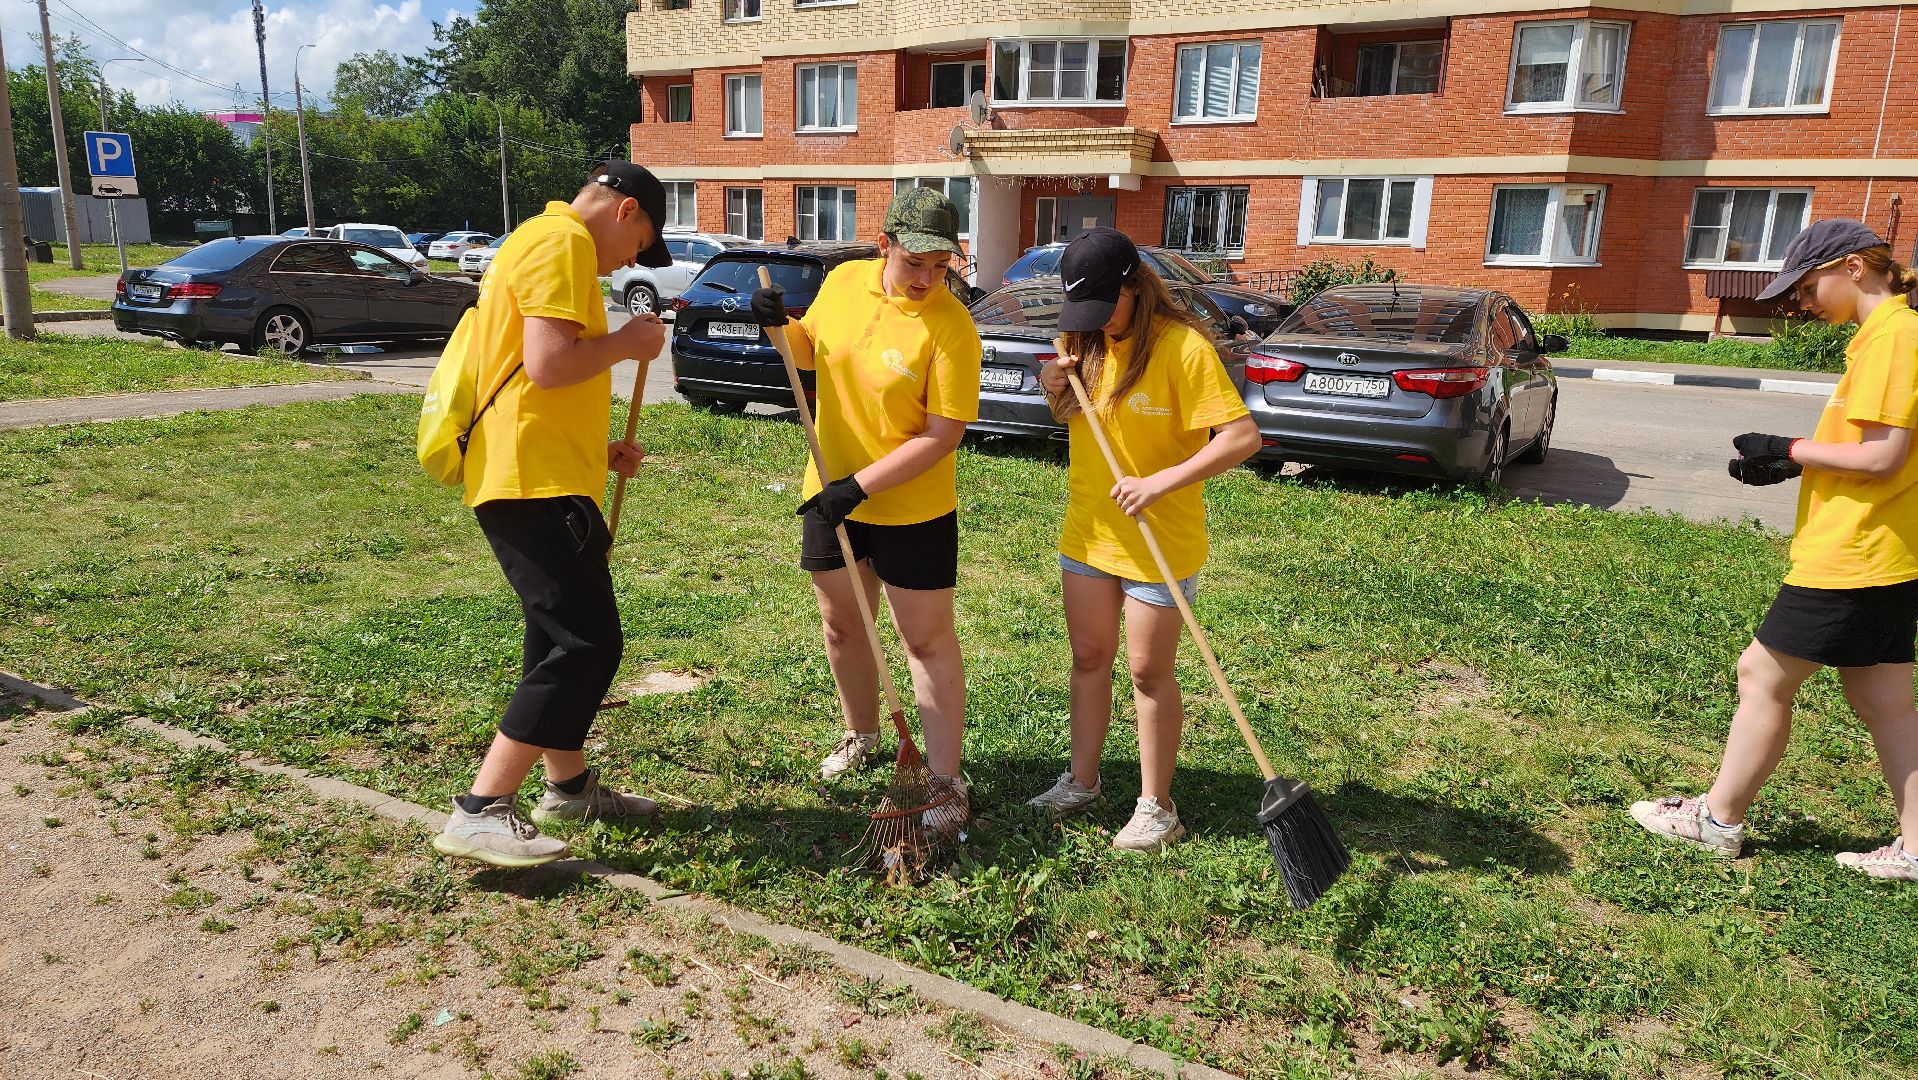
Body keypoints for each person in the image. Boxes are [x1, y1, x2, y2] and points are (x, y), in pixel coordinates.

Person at [1632, 218, 1918, 882]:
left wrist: (1788, 448)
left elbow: (1883, 456)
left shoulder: (1891, 339)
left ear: (1853, 267)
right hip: (1890, 550)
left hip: (1852, 551)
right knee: (1885, 701)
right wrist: (1799, 463)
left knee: (1761, 676)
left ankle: (1717, 821)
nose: (1801, 303)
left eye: (1807, 287)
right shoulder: (1893, 333)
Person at [432, 161, 674, 868]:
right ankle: (482, 808)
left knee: (554, 637)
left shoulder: (539, 238)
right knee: (586, 643)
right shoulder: (564, 242)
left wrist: (595, 452)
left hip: (538, 470)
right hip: (530, 481)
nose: (629, 262)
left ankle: (567, 787)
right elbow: (549, 363)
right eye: (639, 245)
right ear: (625, 210)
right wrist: (629, 342)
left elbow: (530, 379)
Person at [747, 188, 983, 832]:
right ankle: (862, 733)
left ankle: (945, 779)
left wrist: (861, 486)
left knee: (925, 642)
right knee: (844, 628)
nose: (928, 279)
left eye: (942, 266)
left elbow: (944, 434)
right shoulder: (845, 282)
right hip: (829, 490)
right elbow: (809, 353)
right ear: (885, 246)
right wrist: (778, 325)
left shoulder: (952, 326)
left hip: (912, 508)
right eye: (916, 263)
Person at [1026, 228, 1261, 852]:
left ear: (1136, 287)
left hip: (1159, 537)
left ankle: (1158, 808)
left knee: (1147, 672)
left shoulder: (1183, 349)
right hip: (1089, 533)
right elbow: (1074, 417)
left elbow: (1242, 438)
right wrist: (1054, 386)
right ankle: (1082, 781)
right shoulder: (1084, 342)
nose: (1097, 321)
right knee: (1088, 659)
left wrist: (1159, 483)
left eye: (1106, 307)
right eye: (1085, 310)